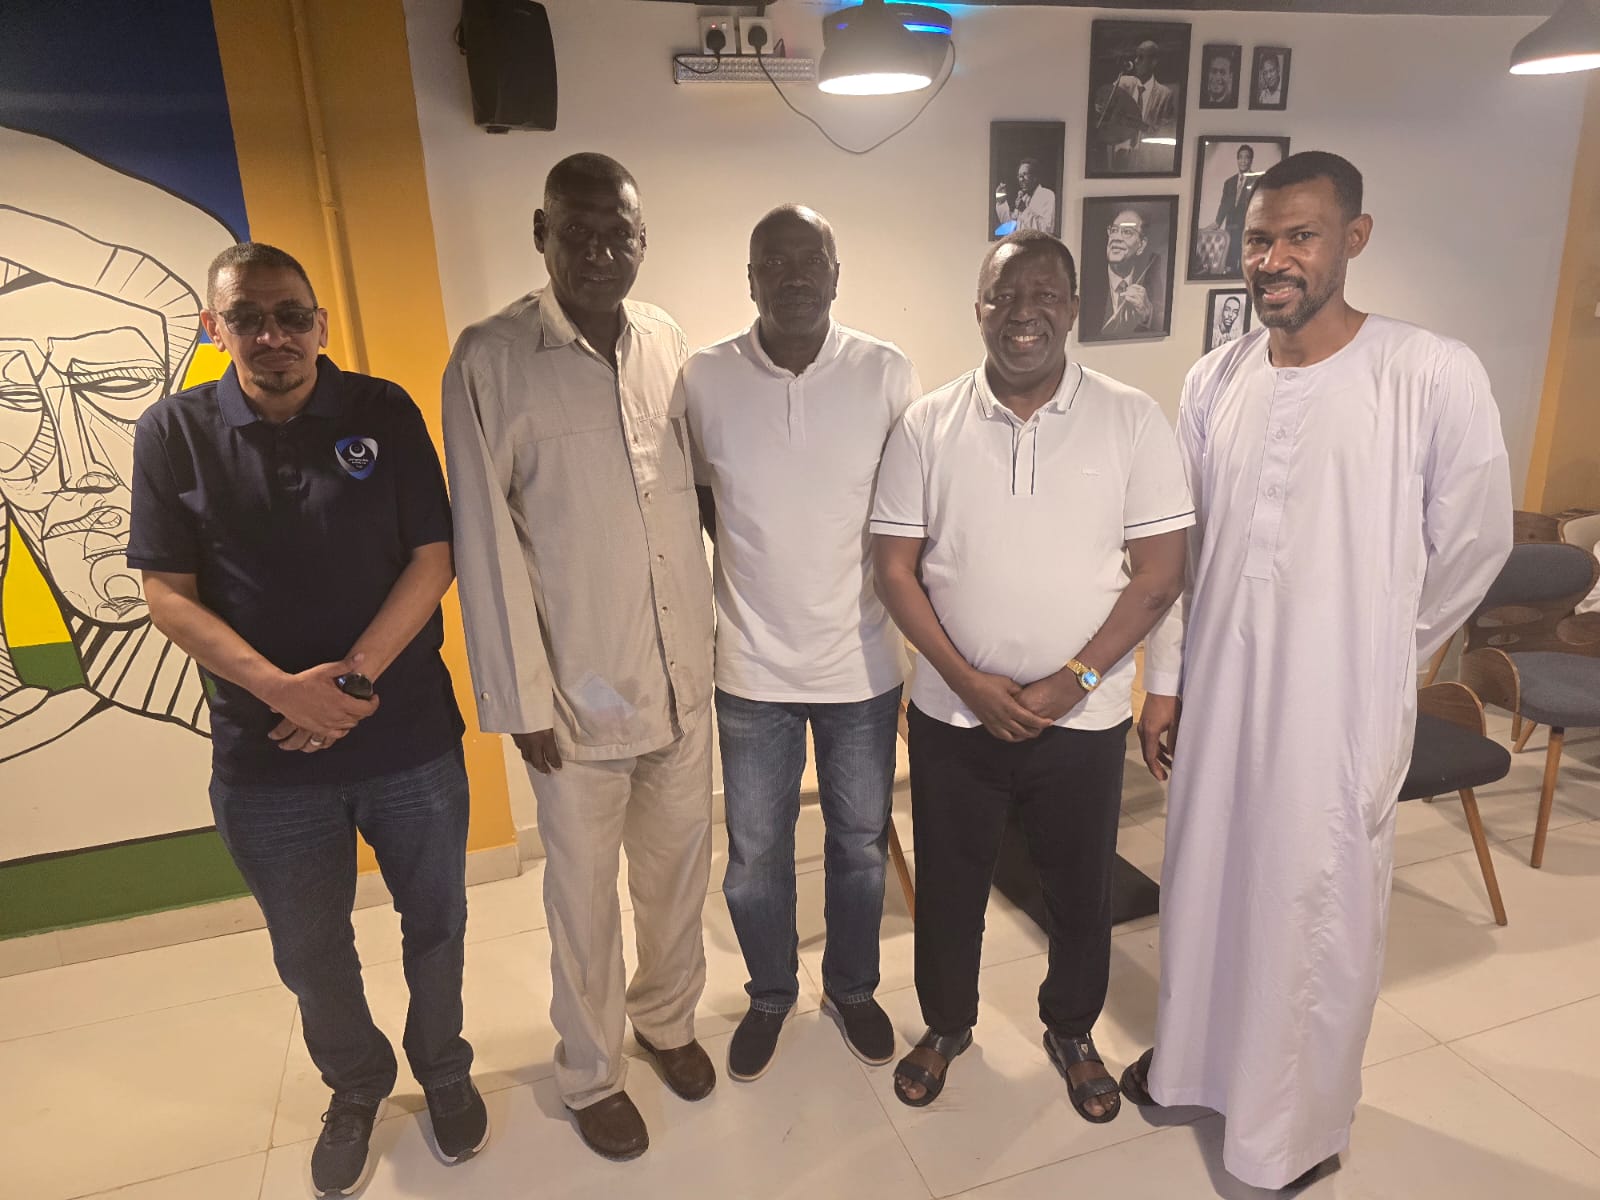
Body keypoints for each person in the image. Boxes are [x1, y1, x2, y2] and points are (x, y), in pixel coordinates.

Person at [1124, 152, 1513, 1190]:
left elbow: (1474, 543)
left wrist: (1383, 642)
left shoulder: (1428, 372)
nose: (1274, 260)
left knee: (1313, 901)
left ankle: (1289, 1134)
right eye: (1258, 240)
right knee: (1207, 879)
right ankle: (1194, 1069)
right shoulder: (1214, 378)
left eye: (1300, 236)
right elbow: (1182, 549)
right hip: (1220, 691)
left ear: (1354, 238)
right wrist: (1166, 680)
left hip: (1340, 701)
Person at [127, 242, 487, 1197]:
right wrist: (285, 692)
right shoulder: (173, 432)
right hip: (266, 757)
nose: (273, 335)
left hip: (406, 737)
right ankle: (357, 1084)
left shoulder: (383, 410)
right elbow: (166, 593)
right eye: (248, 318)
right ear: (214, 328)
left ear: (320, 324)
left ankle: (443, 1065)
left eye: (292, 315)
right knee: (310, 948)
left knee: (438, 921)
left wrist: (351, 684)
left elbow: (434, 556)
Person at [870, 230, 1192, 1121]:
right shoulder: (927, 423)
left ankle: (1072, 1029)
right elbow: (894, 569)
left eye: (1045, 294)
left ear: (1075, 308)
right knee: (950, 888)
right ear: (978, 310)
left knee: (1079, 891)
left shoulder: (1132, 419)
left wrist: (1072, 683)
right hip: (951, 713)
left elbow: (1160, 574)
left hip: (1080, 721)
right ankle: (946, 1026)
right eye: (1004, 296)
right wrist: (968, 682)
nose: (1024, 314)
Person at [442, 152, 716, 1163]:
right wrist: (521, 700)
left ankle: (667, 1020)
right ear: (541, 234)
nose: (601, 253)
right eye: (579, 232)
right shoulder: (490, 359)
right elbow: (484, 540)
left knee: (677, 875)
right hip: (577, 693)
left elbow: (695, 500)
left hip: (680, 679)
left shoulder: (666, 342)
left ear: (642, 241)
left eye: (619, 235)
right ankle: (594, 1071)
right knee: (583, 898)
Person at [683, 205, 921, 1082]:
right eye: (772, 263)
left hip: (862, 663)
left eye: (809, 259)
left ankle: (853, 988)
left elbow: (909, 511)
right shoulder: (704, 378)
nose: (793, 277)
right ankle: (771, 993)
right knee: (754, 858)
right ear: (750, 279)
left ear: (835, 272)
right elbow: (700, 499)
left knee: (859, 844)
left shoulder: (885, 371)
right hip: (750, 668)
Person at [1082, 207, 1167, 339]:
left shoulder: (1151, 279)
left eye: (1127, 232)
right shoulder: (1088, 281)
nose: (1116, 238)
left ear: (1141, 245)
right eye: (1114, 230)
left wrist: (1147, 316)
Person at [1104, 40, 1177, 172]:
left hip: (1145, 159)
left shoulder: (1165, 95)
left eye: (1141, 57)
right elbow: (1105, 110)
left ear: (1153, 62)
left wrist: (1140, 125)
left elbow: (1166, 134)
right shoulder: (1123, 83)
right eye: (1136, 56)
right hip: (1118, 154)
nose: (1136, 61)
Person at [1211, 144, 1259, 275]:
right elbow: (1223, 205)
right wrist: (1217, 222)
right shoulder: (1229, 182)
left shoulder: (1257, 181)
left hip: (1246, 229)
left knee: (1243, 265)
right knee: (1229, 264)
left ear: (1251, 160)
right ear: (1237, 160)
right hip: (1230, 229)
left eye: (1246, 157)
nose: (1243, 161)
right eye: (1241, 157)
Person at [994, 158, 1057, 235]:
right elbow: (1010, 228)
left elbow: (1046, 230)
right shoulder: (1024, 198)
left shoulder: (1047, 195)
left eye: (1025, 175)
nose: (1021, 179)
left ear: (1035, 177)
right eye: (1019, 176)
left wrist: (1024, 210)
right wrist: (1001, 202)